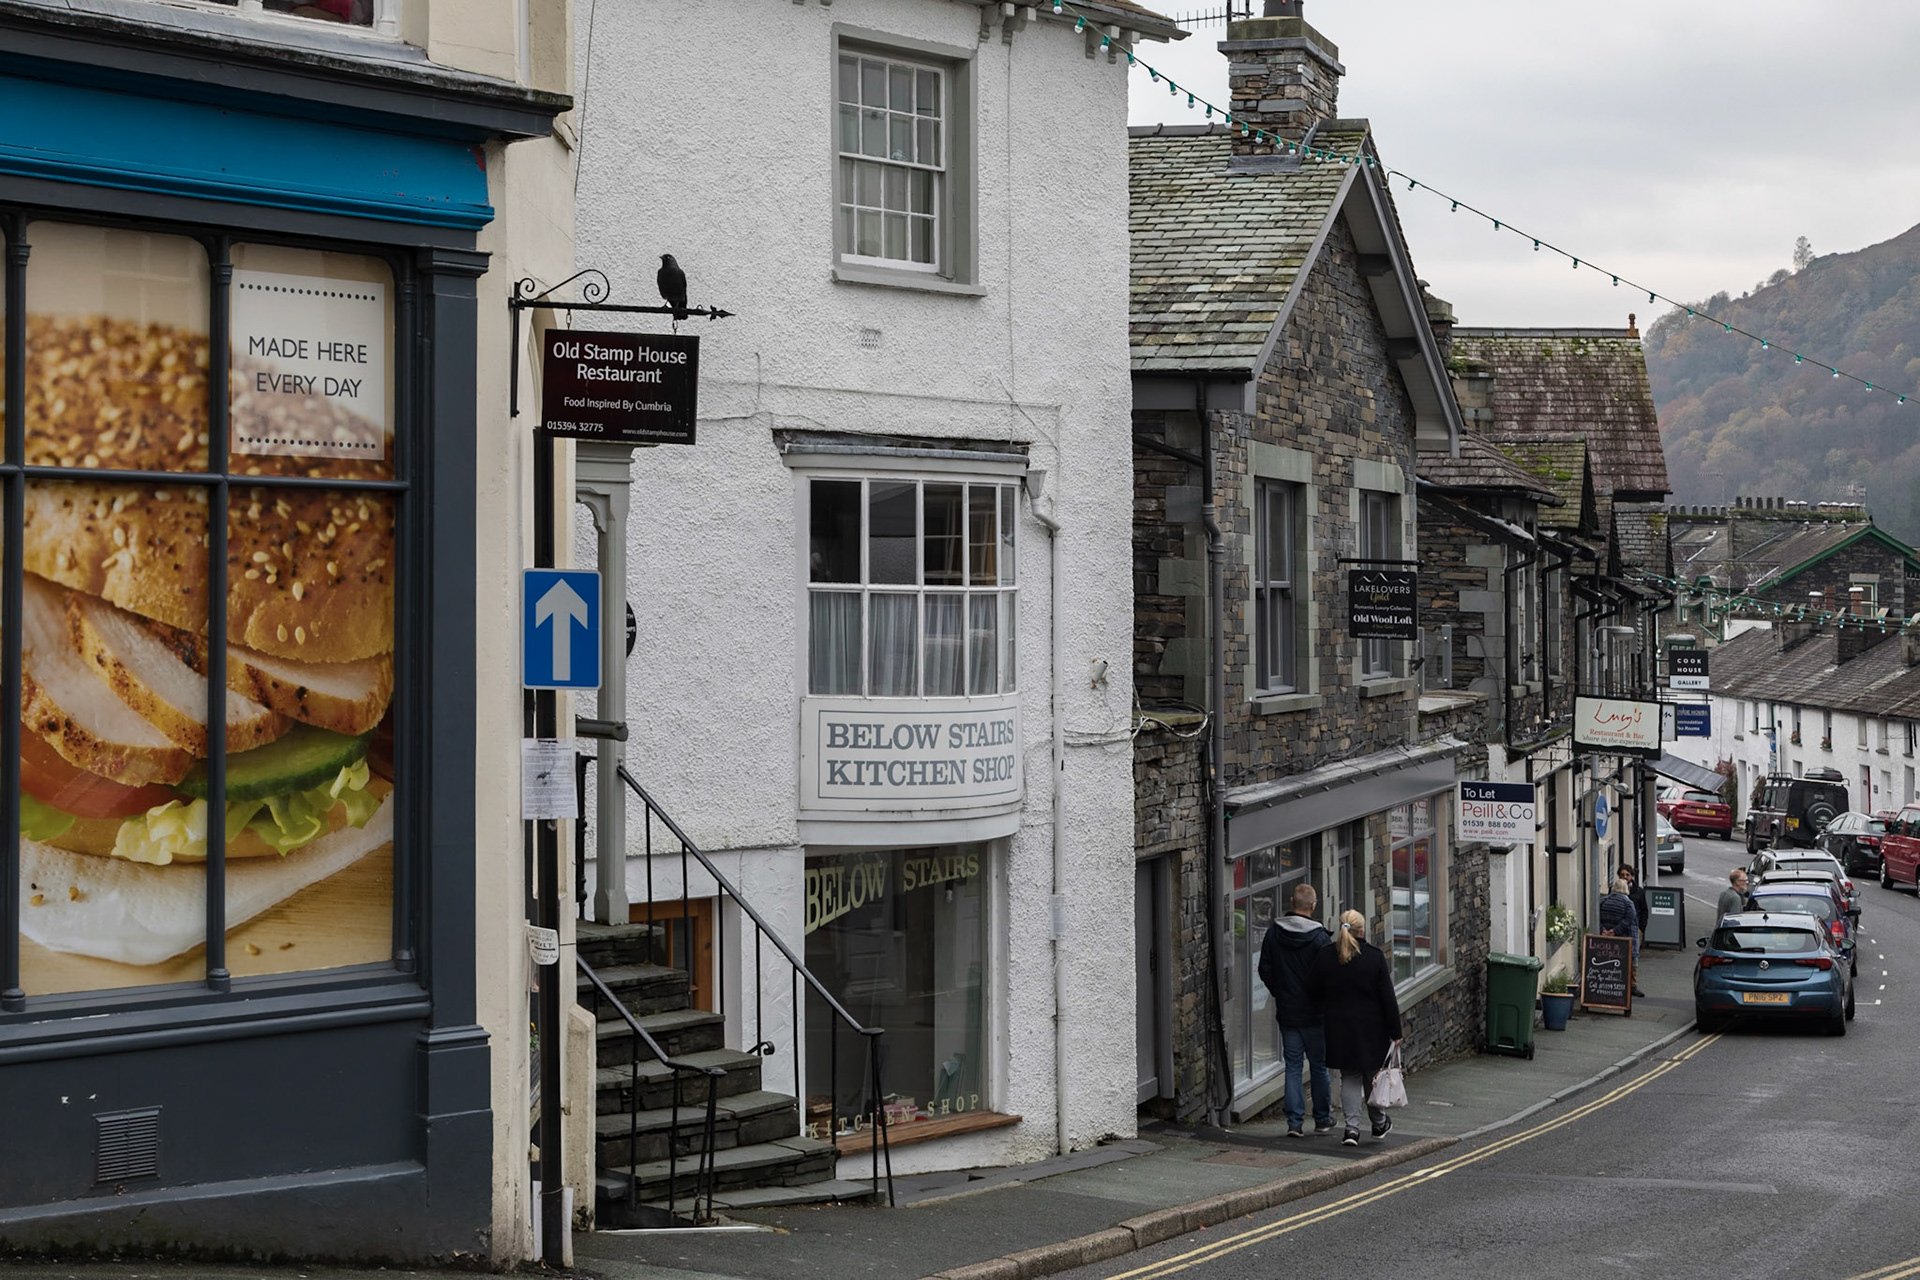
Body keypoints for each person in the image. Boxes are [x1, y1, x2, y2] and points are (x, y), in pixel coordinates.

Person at [1308, 910, 1403, 1147]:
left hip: (1339, 1027)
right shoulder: (1373, 957)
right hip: (1372, 1028)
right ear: (1362, 930)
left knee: (1349, 1076)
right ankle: (1379, 1122)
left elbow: (1312, 989)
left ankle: (1351, 1130)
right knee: (1373, 1077)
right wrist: (1396, 1031)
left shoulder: (1326, 955)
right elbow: (1387, 998)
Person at [1256, 883, 1334, 1137]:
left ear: (1292, 902)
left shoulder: (1273, 934)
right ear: (1313, 906)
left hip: (1288, 1011)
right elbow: (1328, 978)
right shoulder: (1322, 939)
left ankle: (1294, 1123)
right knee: (1319, 1067)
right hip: (1316, 1013)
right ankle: (1322, 1119)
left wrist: (1280, 991)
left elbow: (1264, 969)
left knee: (1292, 1066)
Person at [1618, 863, 1649, 997]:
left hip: (1635, 930)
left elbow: (1644, 910)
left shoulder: (1639, 891)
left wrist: (1641, 929)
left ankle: (1633, 985)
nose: (1625, 877)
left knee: (1634, 958)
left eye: (1627, 875)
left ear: (1632, 876)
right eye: (1622, 875)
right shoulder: (1615, 889)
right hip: (1619, 929)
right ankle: (1620, 983)